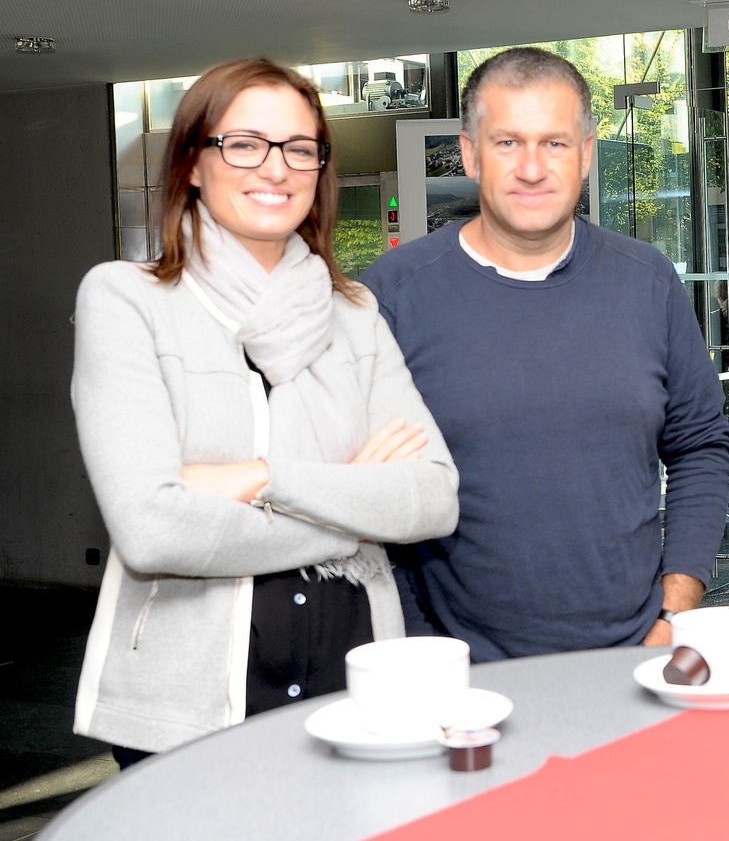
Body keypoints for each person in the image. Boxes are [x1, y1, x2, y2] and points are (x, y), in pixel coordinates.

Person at [70, 59, 460, 766]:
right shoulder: (127, 300)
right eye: (245, 144)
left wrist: (261, 478)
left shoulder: (355, 314)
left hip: (358, 686)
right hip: (184, 709)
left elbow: (432, 500)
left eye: (300, 148)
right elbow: (152, 531)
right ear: (193, 162)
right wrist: (353, 519)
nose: (276, 168)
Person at [361, 47, 729, 661]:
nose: (532, 168)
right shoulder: (395, 293)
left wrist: (676, 608)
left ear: (585, 154)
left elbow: (700, 446)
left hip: (634, 657)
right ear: (470, 154)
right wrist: (423, 645)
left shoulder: (646, 281)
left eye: (554, 144)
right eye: (507, 142)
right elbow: (370, 490)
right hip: (460, 673)